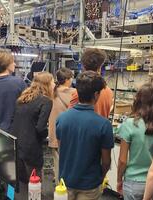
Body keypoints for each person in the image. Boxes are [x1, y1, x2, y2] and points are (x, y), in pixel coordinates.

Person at [56, 71, 114, 200]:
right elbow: (106, 161)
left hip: (65, 182)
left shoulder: (62, 118)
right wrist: (101, 177)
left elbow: (62, 149)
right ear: (96, 94)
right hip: (90, 185)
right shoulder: (104, 124)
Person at [116, 83, 153, 200]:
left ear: (138, 100)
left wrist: (119, 180)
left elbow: (122, 160)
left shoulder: (129, 124)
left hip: (133, 182)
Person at [10, 72, 54, 183]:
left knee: (22, 181)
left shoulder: (23, 98)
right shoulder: (46, 101)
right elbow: (40, 128)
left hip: (16, 143)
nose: (54, 84)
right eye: (53, 82)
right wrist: (48, 134)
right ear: (47, 84)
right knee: (35, 182)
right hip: (31, 147)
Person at [0, 50, 27, 132]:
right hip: (17, 130)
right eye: (13, 62)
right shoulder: (19, 82)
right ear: (6, 64)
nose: (15, 64)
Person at [48, 68, 75, 184]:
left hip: (54, 132)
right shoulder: (74, 93)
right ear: (68, 79)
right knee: (70, 161)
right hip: (69, 133)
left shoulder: (51, 92)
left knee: (57, 161)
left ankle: (59, 185)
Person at [69, 48, 113, 118]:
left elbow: (70, 120)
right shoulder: (108, 92)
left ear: (83, 67)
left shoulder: (79, 93)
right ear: (100, 67)